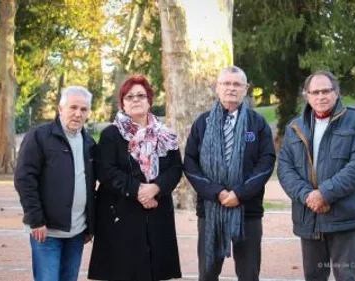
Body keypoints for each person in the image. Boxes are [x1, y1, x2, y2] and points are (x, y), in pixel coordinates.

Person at [277, 71, 355, 281]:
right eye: (315, 92)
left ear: (336, 93)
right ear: (307, 95)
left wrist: (325, 194)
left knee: (345, 275)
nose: (321, 96)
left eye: (326, 91)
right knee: (313, 276)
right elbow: (285, 168)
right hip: (308, 217)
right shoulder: (294, 127)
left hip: (344, 218)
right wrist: (308, 196)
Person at [184, 66, 276, 281]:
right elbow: (190, 163)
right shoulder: (202, 123)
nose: (231, 88)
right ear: (217, 87)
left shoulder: (258, 123)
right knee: (207, 273)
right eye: (226, 83)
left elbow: (267, 161)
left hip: (248, 209)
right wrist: (216, 192)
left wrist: (240, 194)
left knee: (248, 273)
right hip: (210, 209)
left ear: (245, 89)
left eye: (237, 84)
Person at [88, 75, 182, 281]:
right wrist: (139, 190)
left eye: (141, 95)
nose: (135, 100)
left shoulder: (165, 134)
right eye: (129, 97)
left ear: (150, 100)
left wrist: (155, 188)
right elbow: (106, 171)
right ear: (122, 103)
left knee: (153, 271)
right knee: (125, 272)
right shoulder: (111, 135)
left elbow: (175, 168)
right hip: (121, 212)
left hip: (157, 211)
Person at [14, 86, 96, 281]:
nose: (78, 114)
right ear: (60, 109)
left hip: (77, 232)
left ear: (88, 113)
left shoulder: (89, 143)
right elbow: (24, 179)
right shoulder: (39, 136)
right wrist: (36, 220)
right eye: (73, 107)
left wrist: (90, 227)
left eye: (83, 109)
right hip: (46, 231)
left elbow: (91, 185)